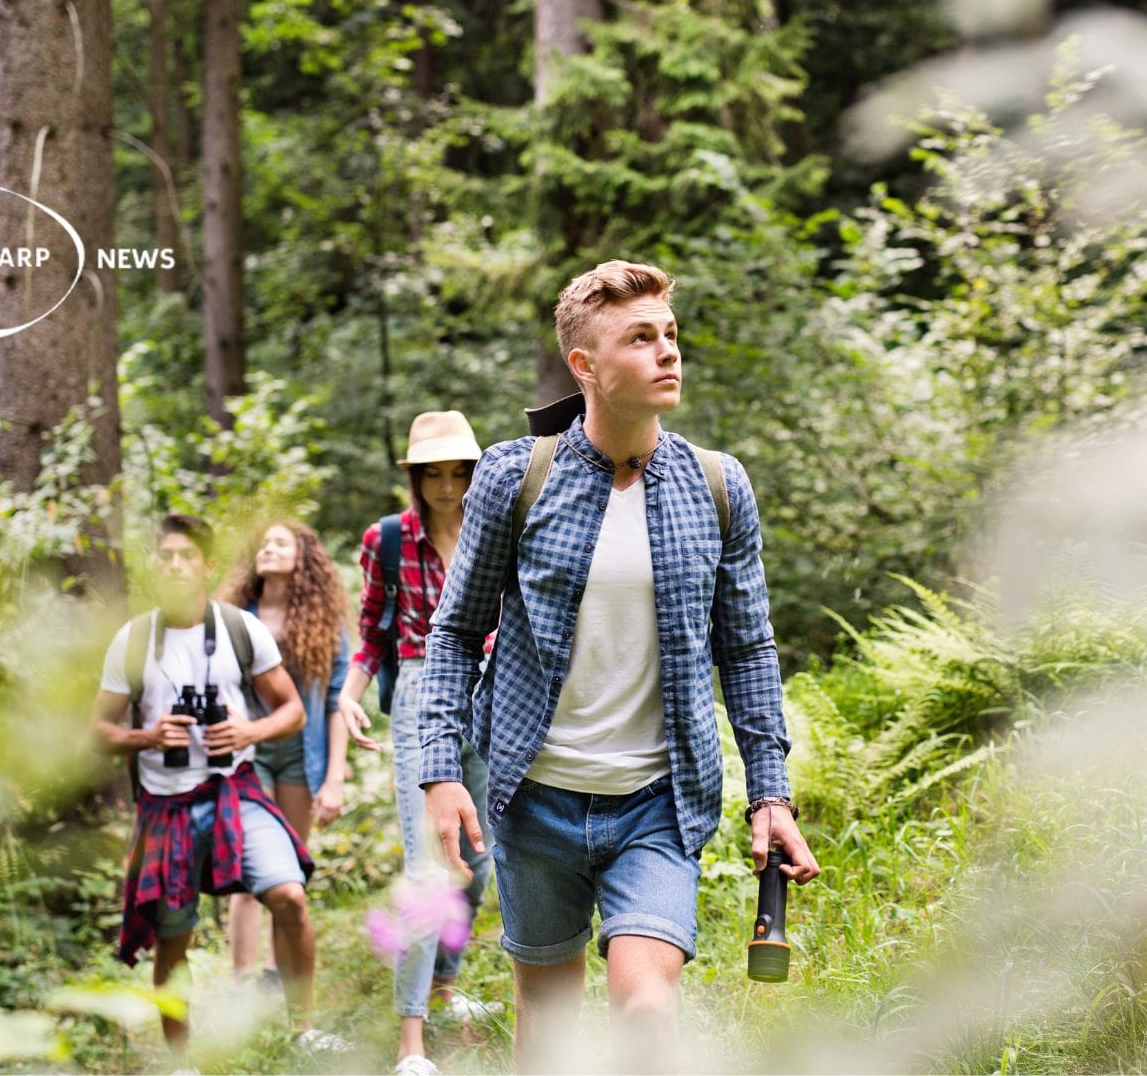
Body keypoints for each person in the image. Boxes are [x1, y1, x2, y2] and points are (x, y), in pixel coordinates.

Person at [418, 261, 823, 1072]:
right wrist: (440, 772)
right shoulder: (514, 477)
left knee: (645, 1007)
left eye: (669, 333)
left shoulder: (715, 485)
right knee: (552, 1022)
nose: (667, 351)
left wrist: (769, 793)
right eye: (640, 338)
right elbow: (456, 632)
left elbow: (746, 647)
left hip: (657, 806)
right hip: (534, 801)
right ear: (586, 366)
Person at [92, 514, 343, 1061]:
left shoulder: (238, 628)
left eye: (188, 556)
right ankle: (181, 1060)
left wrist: (249, 729)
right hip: (167, 804)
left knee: (290, 896)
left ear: (207, 565)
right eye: (167, 557)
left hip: (235, 789)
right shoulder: (133, 640)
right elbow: (99, 730)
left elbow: (293, 710)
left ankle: (304, 1029)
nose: (177, 566)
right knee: (173, 935)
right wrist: (147, 735)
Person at [337, 410, 500, 1076]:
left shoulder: (494, 530)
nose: (444, 486)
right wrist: (349, 694)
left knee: (478, 860)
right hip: (419, 689)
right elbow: (373, 633)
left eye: (457, 473)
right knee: (426, 867)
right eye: (432, 474)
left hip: (491, 693)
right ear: (414, 478)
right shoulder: (388, 540)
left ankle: (444, 988)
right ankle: (410, 1042)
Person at [218, 520, 354, 986]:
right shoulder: (233, 615)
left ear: (303, 558)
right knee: (244, 865)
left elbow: (338, 700)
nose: (268, 548)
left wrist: (334, 776)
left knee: (286, 866)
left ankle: (275, 973)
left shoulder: (322, 622)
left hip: (301, 754)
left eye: (280, 542)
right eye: (263, 542)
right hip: (245, 755)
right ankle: (241, 982)